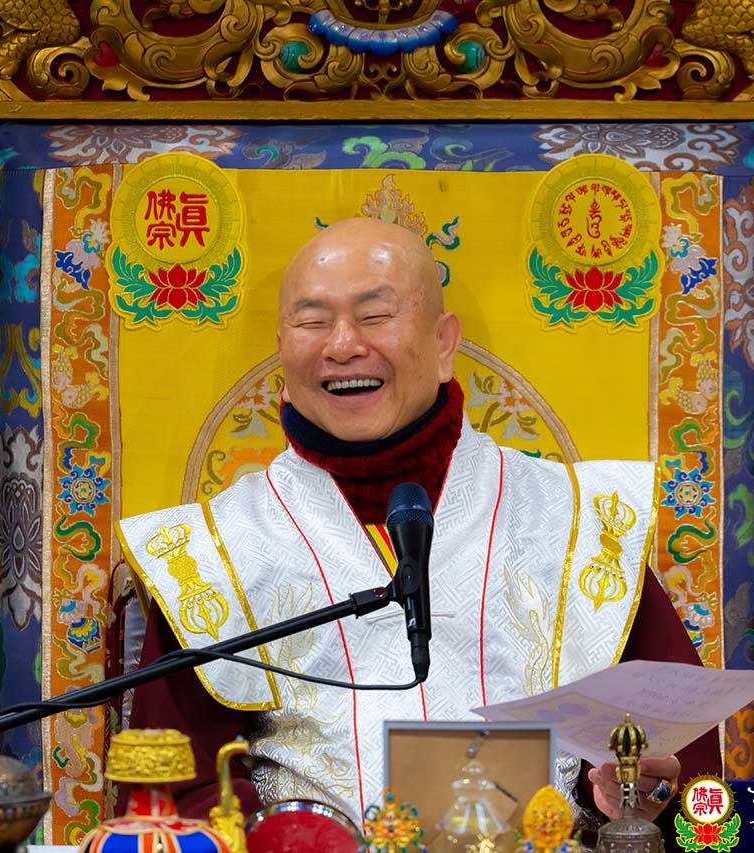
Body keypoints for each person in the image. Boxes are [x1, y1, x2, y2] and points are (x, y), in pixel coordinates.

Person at [118, 218, 721, 843]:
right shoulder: (212, 550)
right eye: (313, 321)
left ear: (443, 343)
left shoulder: (577, 520)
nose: (343, 345)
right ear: (281, 347)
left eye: (375, 316)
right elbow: (173, 793)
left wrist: (633, 800)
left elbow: (694, 780)